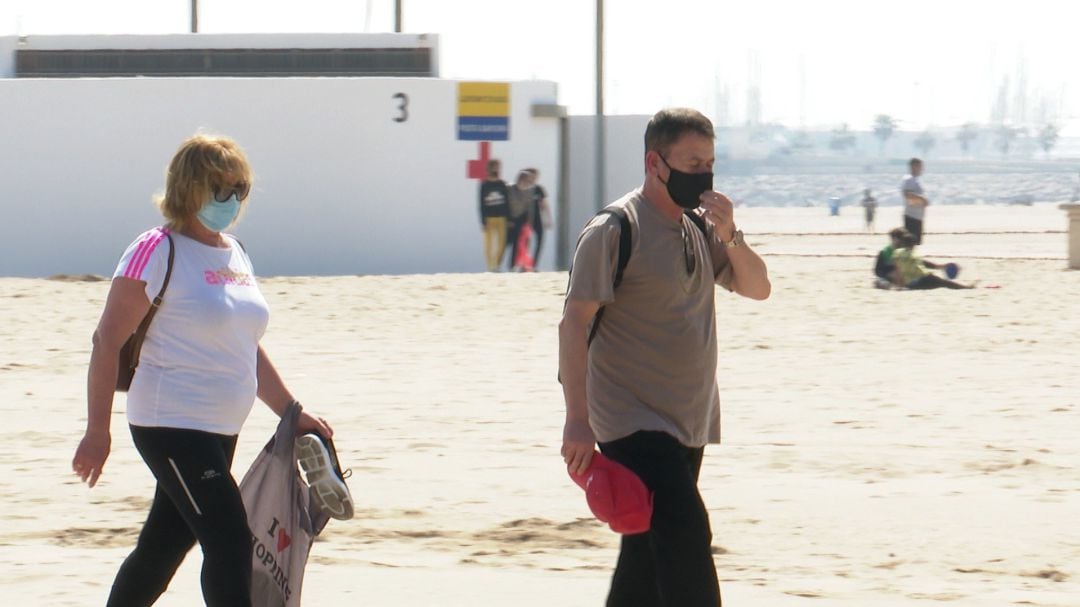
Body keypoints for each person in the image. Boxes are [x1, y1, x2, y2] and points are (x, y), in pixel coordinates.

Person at [71, 133, 336, 607]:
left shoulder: (235, 252)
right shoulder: (156, 249)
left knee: (161, 549)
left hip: (220, 430)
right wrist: (97, 432)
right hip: (169, 423)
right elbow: (105, 340)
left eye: (241, 190)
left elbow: (245, 346)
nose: (233, 201)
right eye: (222, 190)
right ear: (191, 187)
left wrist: (291, 412)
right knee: (230, 539)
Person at [559, 108, 771, 606]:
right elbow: (574, 322)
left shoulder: (699, 228)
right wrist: (577, 420)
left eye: (710, 162)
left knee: (645, 555)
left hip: (688, 418)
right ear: (656, 162)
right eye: (692, 161)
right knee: (686, 536)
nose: (703, 173)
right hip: (630, 419)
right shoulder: (616, 229)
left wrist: (730, 233)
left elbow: (758, 288)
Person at [892, 231, 974, 289]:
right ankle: (965, 287)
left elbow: (897, 271)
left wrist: (900, 285)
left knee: (939, 283)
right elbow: (922, 265)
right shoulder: (912, 254)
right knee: (944, 282)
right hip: (921, 280)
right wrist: (933, 272)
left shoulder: (896, 253)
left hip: (909, 284)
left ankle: (964, 287)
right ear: (913, 245)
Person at [479, 159, 510, 271]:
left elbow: (507, 202)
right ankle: (490, 266)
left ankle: (497, 265)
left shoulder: (502, 184)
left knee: (502, 244)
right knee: (489, 244)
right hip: (489, 218)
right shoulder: (484, 185)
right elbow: (481, 203)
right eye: (495, 167)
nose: (497, 169)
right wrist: (483, 220)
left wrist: (509, 218)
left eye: (498, 167)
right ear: (489, 168)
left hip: (502, 217)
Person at [505, 169, 535, 271]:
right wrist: (508, 220)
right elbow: (506, 205)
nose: (528, 183)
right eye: (526, 180)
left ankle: (514, 266)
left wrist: (529, 223)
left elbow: (530, 208)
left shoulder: (529, 191)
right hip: (509, 220)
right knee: (505, 243)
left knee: (518, 244)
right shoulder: (509, 188)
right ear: (520, 179)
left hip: (520, 221)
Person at [524, 167, 552, 267]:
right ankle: (524, 264)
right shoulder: (523, 188)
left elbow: (544, 204)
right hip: (526, 219)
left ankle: (533, 264)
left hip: (537, 218)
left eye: (536, 176)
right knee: (525, 242)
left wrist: (548, 219)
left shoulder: (539, 189)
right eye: (533, 176)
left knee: (540, 240)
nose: (534, 178)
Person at [901, 157, 929, 244]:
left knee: (914, 242)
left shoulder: (915, 180)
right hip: (912, 216)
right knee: (910, 242)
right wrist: (922, 199)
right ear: (914, 166)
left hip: (917, 216)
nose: (922, 169)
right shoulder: (909, 179)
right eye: (920, 166)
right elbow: (907, 194)